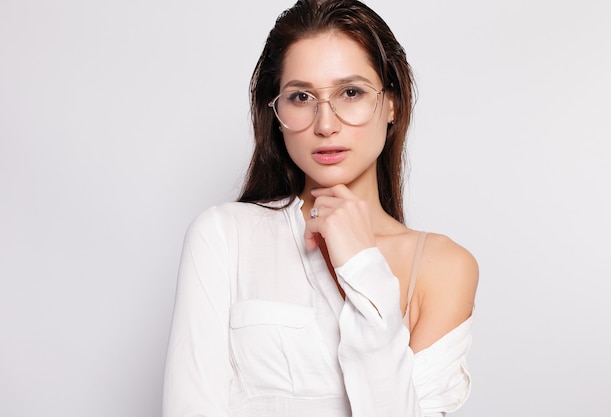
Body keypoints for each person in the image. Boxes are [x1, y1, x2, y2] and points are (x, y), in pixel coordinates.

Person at [162, 0, 478, 416]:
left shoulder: (443, 266)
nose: (325, 123)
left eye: (351, 92)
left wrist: (363, 266)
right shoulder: (225, 235)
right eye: (301, 96)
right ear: (275, 114)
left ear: (392, 104)